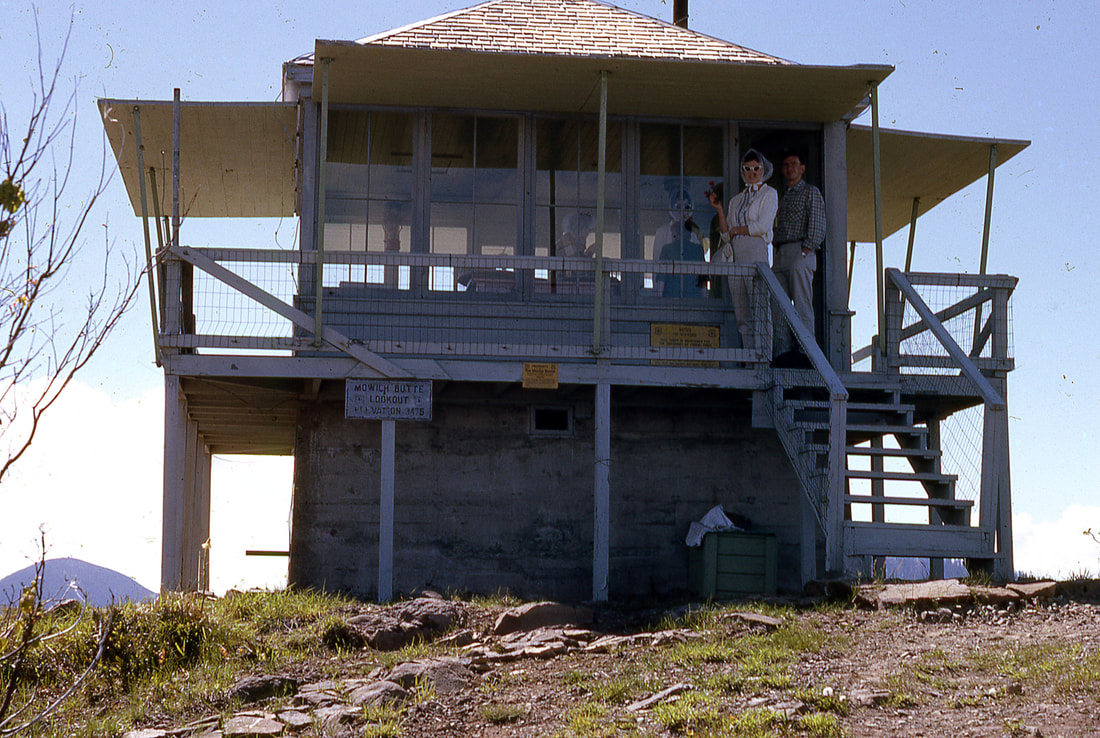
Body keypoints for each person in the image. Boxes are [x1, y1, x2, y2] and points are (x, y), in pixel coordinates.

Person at [707, 149, 778, 350]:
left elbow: (763, 226)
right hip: (736, 253)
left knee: (760, 307)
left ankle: (763, 356)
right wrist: (720, 209)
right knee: (741, 309)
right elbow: (726, 235)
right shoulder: (735, 200)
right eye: (747, 169)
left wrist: (737, 229)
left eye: (756, 168)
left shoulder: (769, 194)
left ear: (763, 169)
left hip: (755, 251)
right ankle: (748, 357)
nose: (752, 173)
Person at [772, 150, 826, 360]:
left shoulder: (810, 192)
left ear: (802, 168)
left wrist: (805, 250)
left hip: (800, 250)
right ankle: (783, 351)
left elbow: (818, 224)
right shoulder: (781, 196)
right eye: (786, 164)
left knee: (802, 303)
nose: (789, 168)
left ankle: (806, 353)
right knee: (778, 303)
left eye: (794, 163)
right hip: (781, 252)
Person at [653, 190, 706, 298]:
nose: (682, 211)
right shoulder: (661, 233)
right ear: (672, 208)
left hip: (691, 293)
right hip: (669, 292)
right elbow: (657, 266)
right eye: (678, 207)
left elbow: (701, 272)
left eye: (686, 207)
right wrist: (658, 297)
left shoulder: (694, 234)